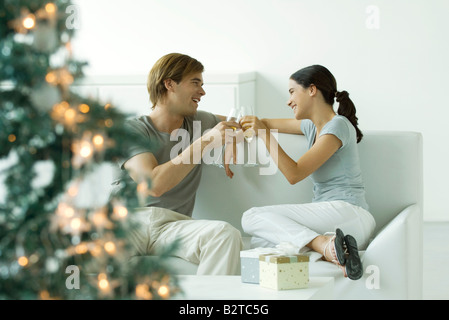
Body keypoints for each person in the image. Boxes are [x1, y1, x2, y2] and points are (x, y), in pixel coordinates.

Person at [239, 65, 376, 280]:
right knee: (261, 241)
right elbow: (261, 122)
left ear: (312, 90)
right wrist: (212, 120)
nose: (288, 100)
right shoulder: (311, 126)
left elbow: (294, 174)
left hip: (350, 214)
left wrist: (265, 134)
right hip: (334, 221)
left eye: (292, 91)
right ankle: (336, 253)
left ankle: (322, 245)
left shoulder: (338, 125)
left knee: (251, 217)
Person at [118, 53, 243, 275]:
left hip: (173, 225)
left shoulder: (201, 121)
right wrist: (206, 142)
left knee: (225, 234)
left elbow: (247, 125)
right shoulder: (132, 130)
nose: (202, 92)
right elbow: (153, 184)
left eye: (202, 84)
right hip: (129, 221)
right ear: (169, 84)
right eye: (195, 83)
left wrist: (234, 138)